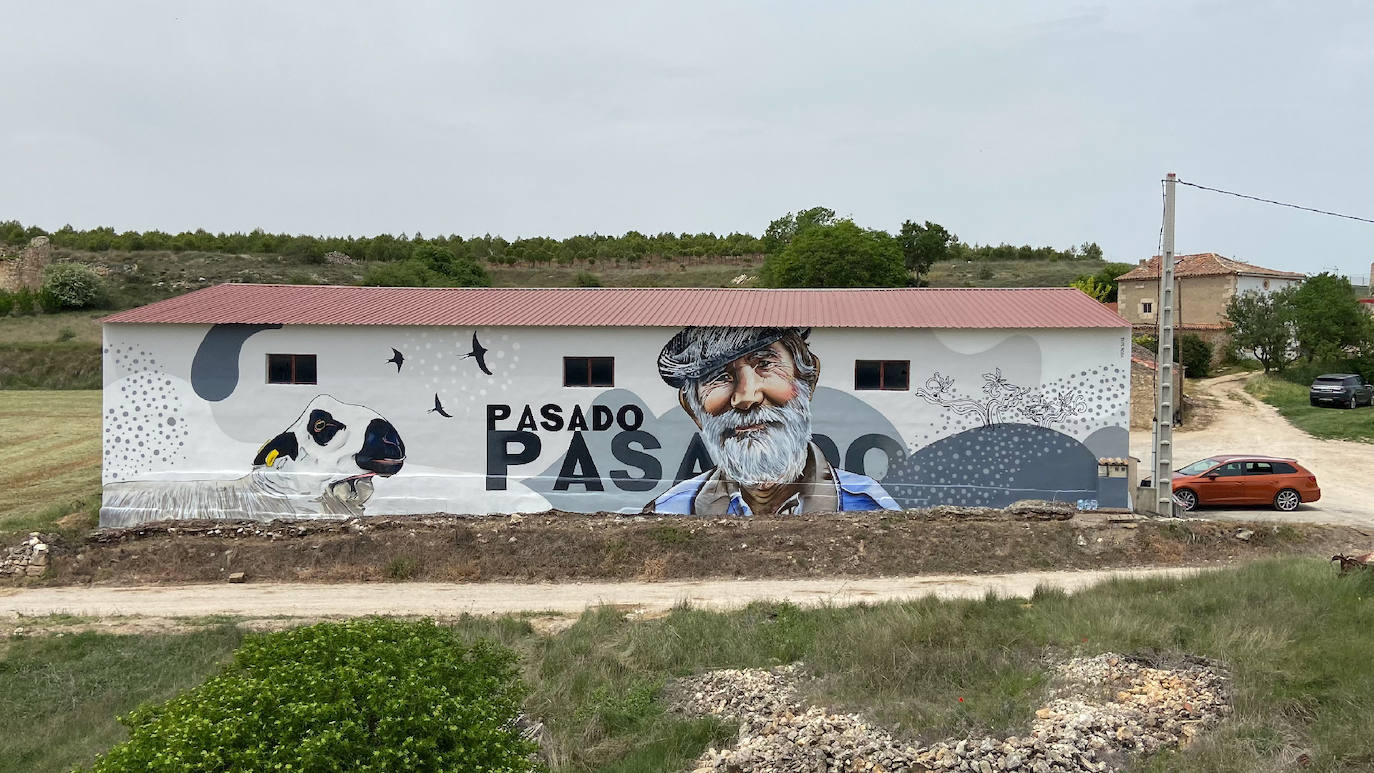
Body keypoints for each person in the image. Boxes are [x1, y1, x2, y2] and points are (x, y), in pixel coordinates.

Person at [646, 326, 898, 515]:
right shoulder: (667, 512)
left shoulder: (871, 507)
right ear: (693, 409)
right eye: (718, 376)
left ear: (807, 382)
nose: (746, 397)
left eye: (765, 364)